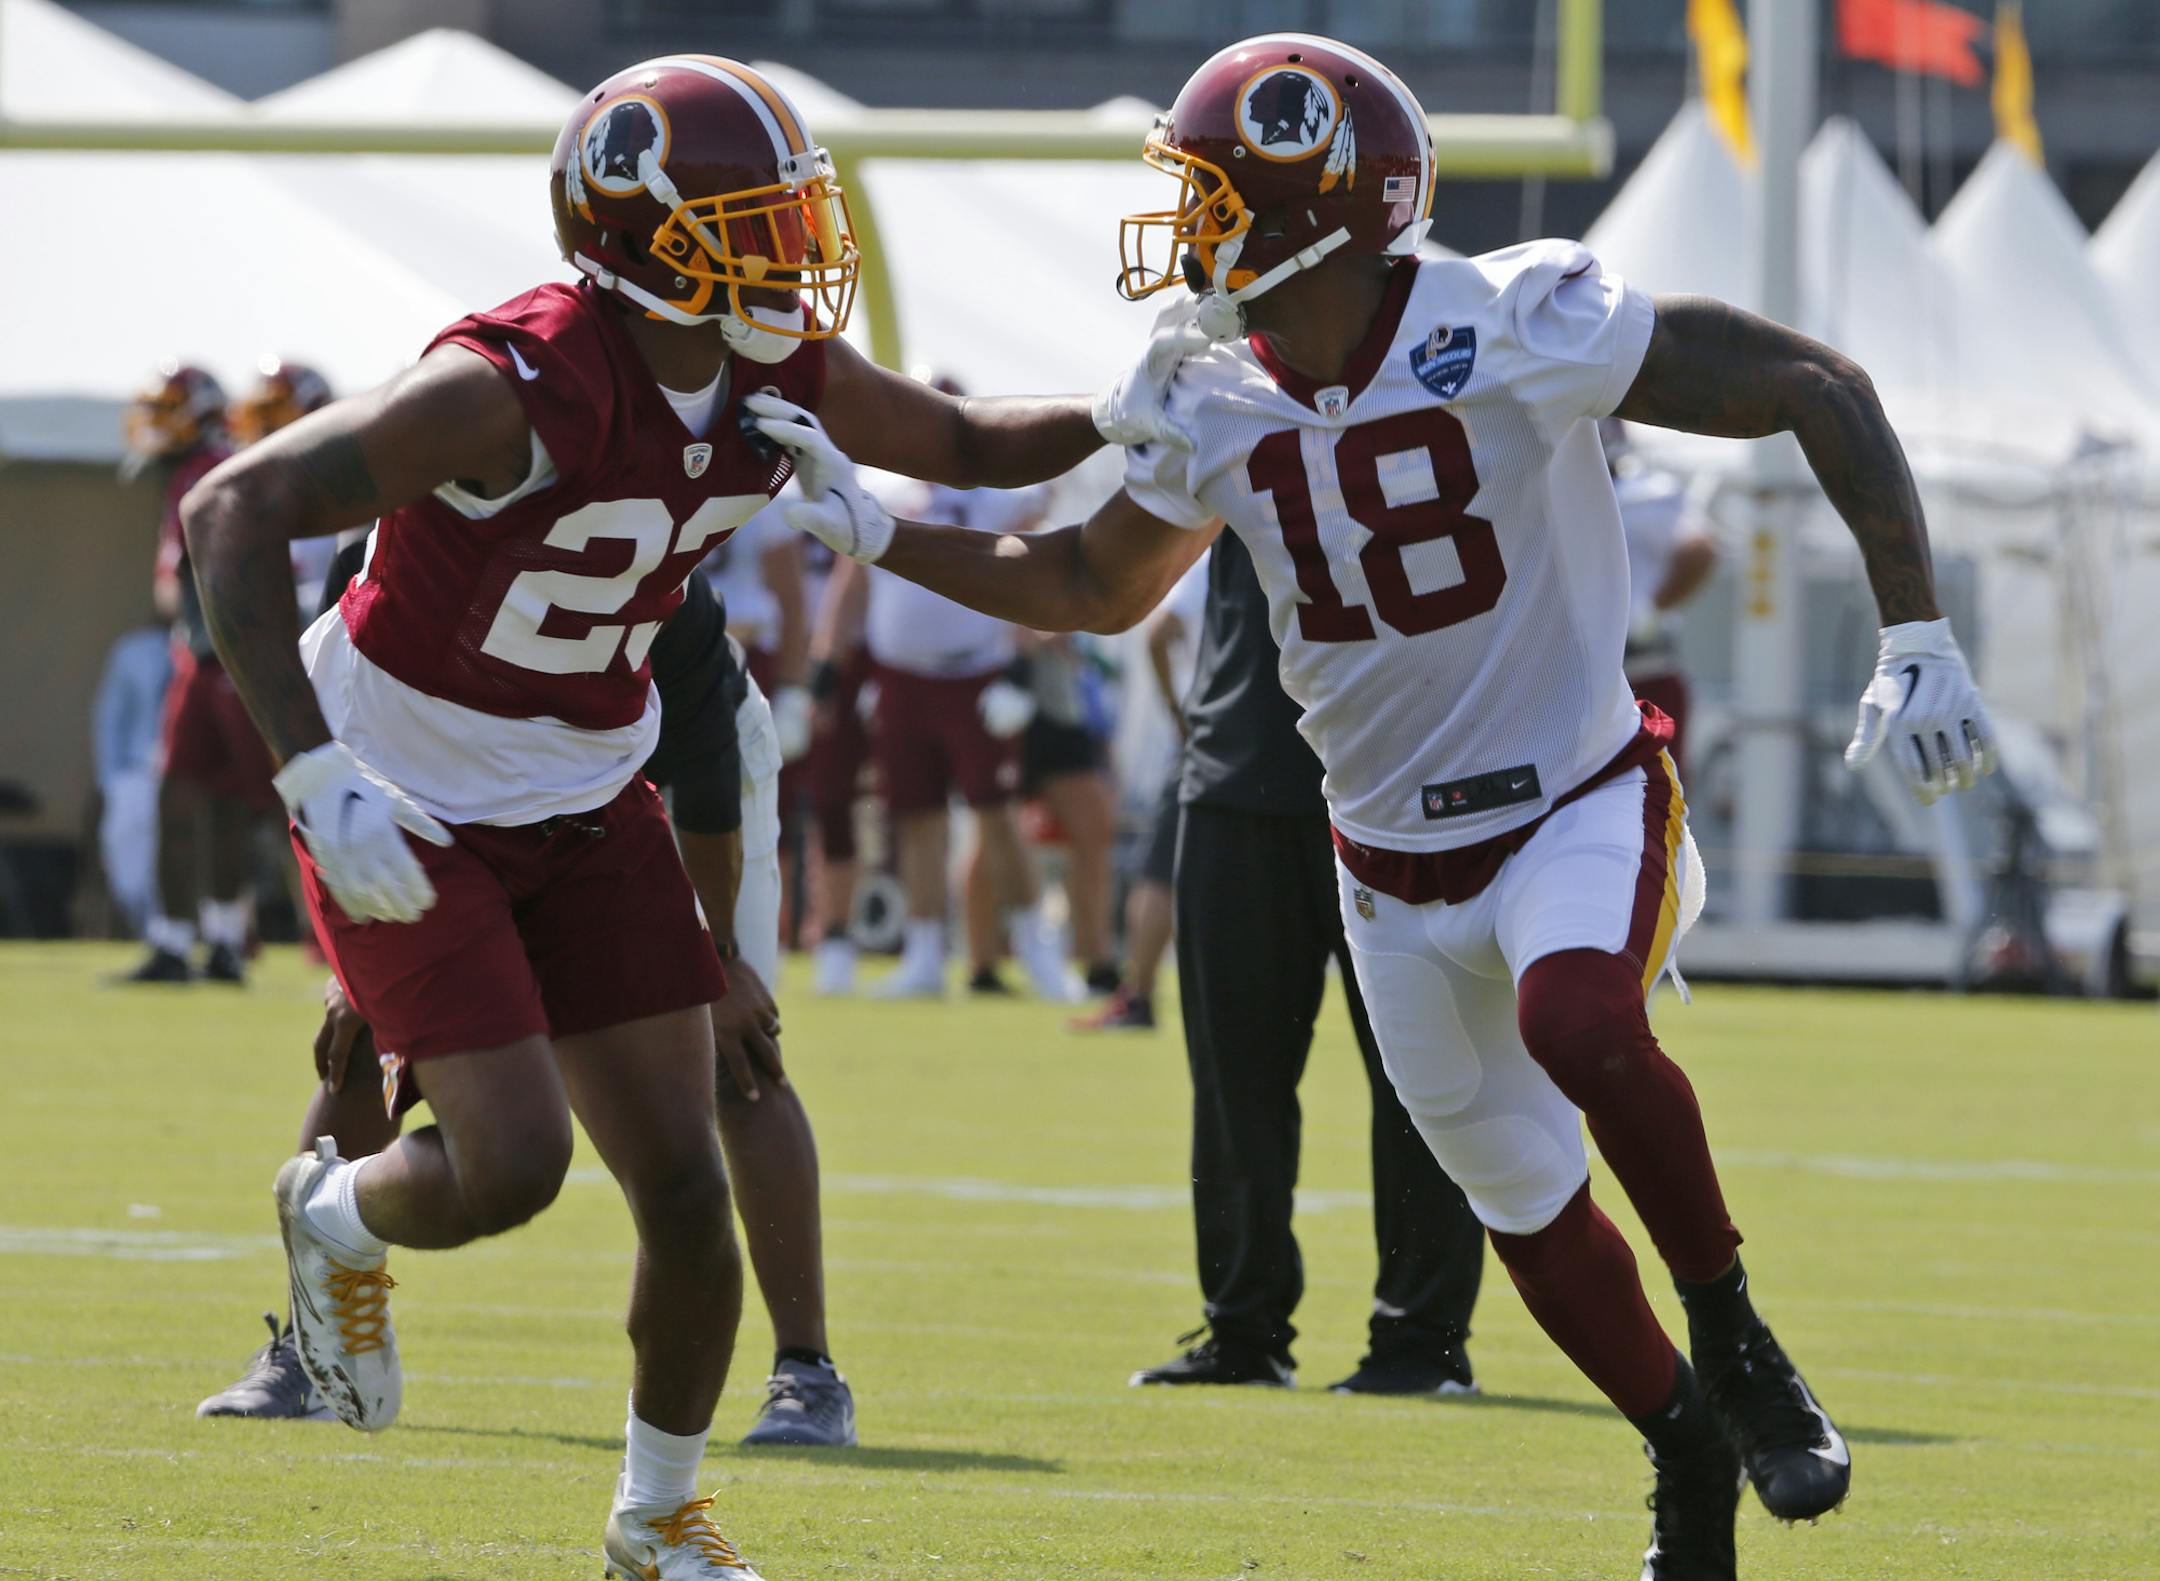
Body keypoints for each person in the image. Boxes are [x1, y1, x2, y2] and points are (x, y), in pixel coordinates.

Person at [745, 34, 1997, 1579]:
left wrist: (1916, 628)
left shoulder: (1516, 315)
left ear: (1312, 208)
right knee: (1524, 1205)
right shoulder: (1208, 394)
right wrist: (876, 530)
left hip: (1575, 801)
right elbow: (1081, 580)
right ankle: (1684, 1447)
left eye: (1210, 193)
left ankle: (1736, 1339)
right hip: (1387, 860)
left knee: (1583, 1025)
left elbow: (1815, 381)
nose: (1185, 228)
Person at [178, 54, 1185, 1581]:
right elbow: (227, 515)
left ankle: (656, 1519)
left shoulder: (772, 365)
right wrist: (315, 774)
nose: (795, 251)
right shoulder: (512, 384)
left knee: (689, 1189)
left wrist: (1120, 404)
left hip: (590, 781)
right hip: (408, 786)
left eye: (795, 216)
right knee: (510, 1165)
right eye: (756, 222)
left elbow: (973, 448)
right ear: (644, 237)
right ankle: (335, 1216)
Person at [194, 568, 856, 1448]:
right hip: (448, 784)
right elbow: (329, 725)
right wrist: (354, 952)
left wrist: (722, 957)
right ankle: (309, 1347)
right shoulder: (404, 520)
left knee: (729, 1052)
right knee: (359, 1031)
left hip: (649, 781)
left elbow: (703, 775)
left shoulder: (661, 570)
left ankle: (806, 1371)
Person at [1127, 531, 1487, 1394]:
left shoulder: (1427, 406)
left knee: (1420, 1081)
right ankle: (1243, 1330)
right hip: (1236, 780)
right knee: (1233, 1080)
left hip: (1402, 787)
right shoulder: (1223, 408)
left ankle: (1421, 1338)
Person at [834, 467, 1078, 1002]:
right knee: (915, 813)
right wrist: (825, 666)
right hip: (900, 673)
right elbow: (850, 579)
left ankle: (1039, 950)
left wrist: (1019, 664)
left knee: (996, 812)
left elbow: (1032, 559)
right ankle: (924, 952)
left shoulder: (993, 496)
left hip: (977, 673)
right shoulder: (885, 492)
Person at [116, 361, 270, 986]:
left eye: (169, 411)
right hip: (202, 652)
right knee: (192, 796)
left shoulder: (214, 470)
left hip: (230, 650)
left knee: (239, 801)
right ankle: (191, 941)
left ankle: (214, 940)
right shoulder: (186, 471)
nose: (157, 427)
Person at [1071, 547, 1211, 1033]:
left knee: (1160, 870)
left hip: (1212, 737)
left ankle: (1140, 994)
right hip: (1292, 733)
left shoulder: (1218, 557)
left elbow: (1159, 633)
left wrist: (1180, 713)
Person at [1604, 418, 1719, 775]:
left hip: (1642, 672)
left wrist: (1650, 612)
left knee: (1652, 801)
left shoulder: (1643, 494)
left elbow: (1699, 550)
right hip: (1574, 683)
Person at [89, 623, 175, 933]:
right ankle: (153, 932)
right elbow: (111, 716)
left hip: (191, 772)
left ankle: (180, 934)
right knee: (130, 868)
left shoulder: (208, 650)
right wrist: (111, 780)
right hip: (140, 770)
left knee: (188, 856)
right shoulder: (134, 650)